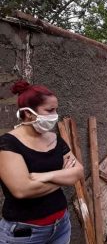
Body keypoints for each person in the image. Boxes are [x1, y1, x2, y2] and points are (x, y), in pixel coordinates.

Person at [0, 80, 84, 243]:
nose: (55, 115)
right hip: (24, 233)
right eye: (50, 110)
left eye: (56, 109)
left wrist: (42, 176)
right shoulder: (8, 143)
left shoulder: (55, 139)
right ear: (28, 113)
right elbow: (22, 190)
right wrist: (64, 177)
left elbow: (78, 172)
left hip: (61, 226)